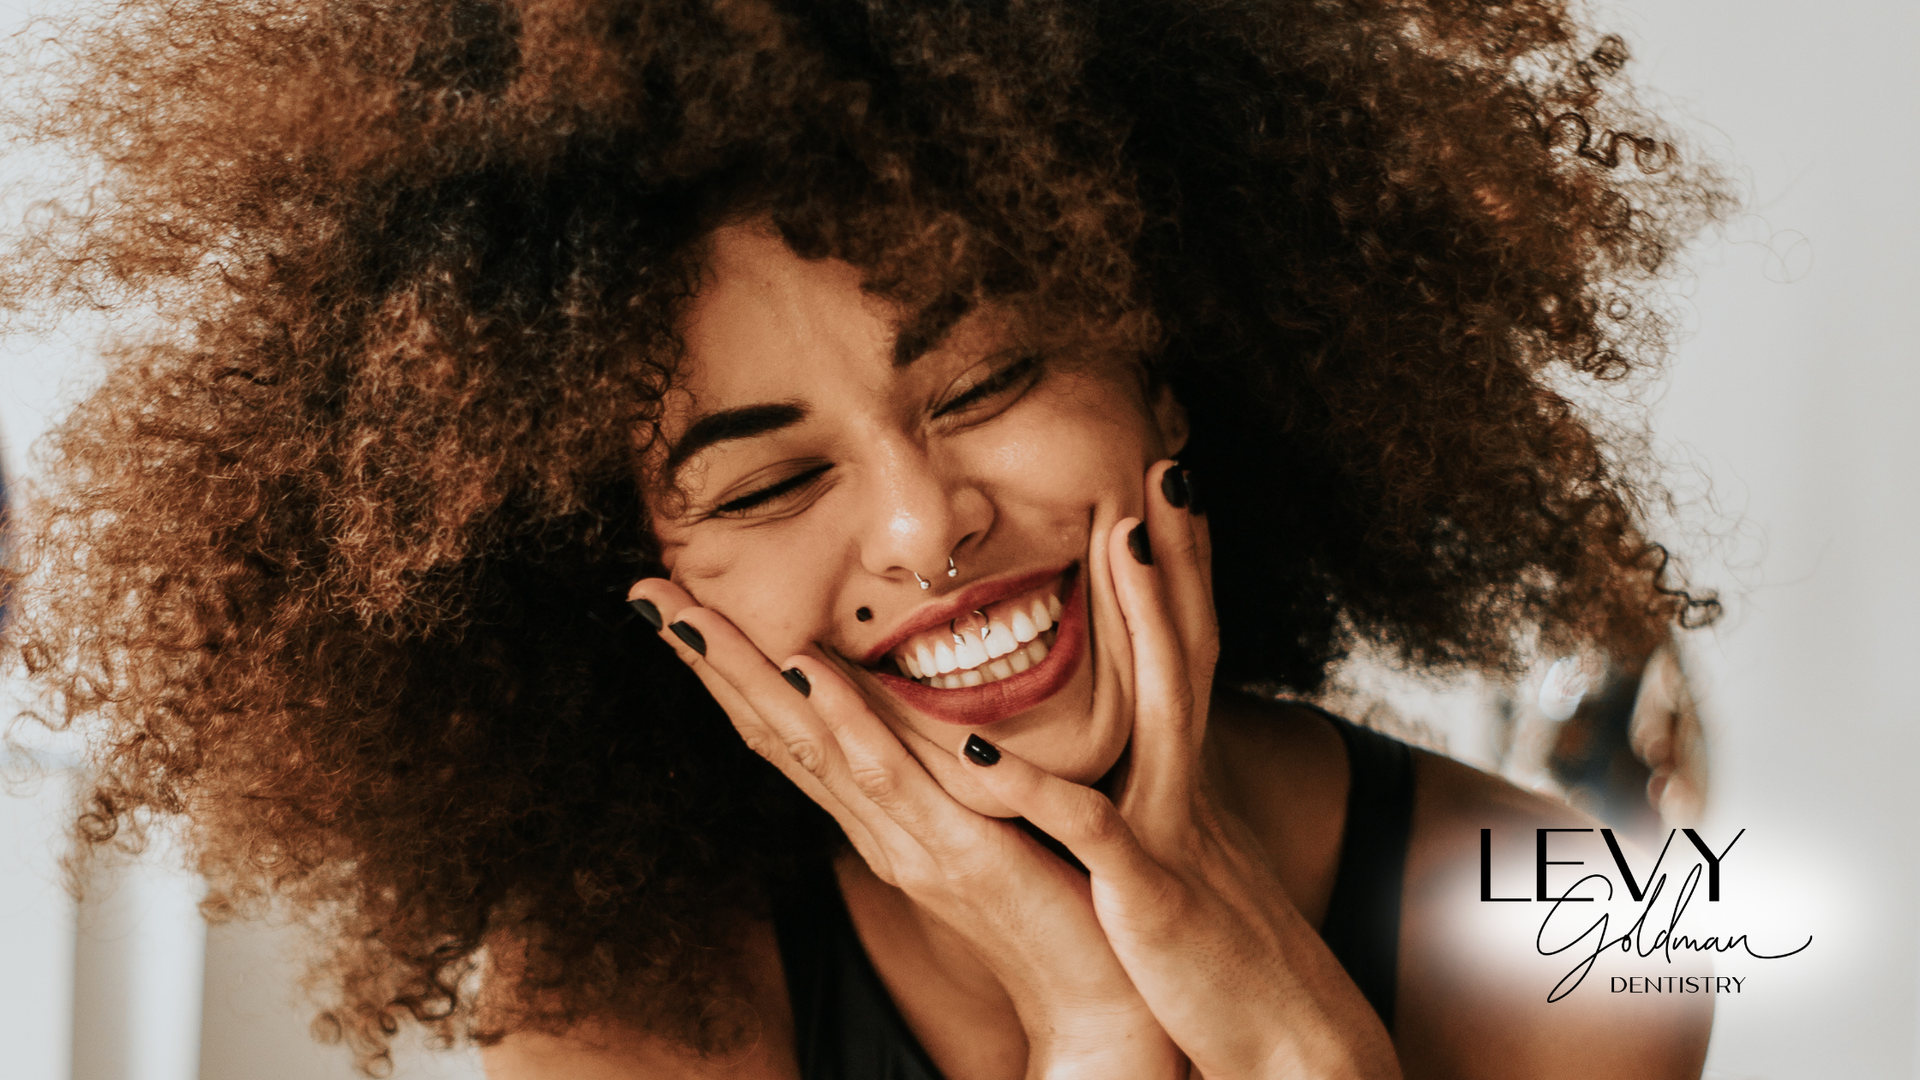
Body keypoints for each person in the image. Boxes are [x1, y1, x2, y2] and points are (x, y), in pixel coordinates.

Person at [3, 0, 1726, 1076]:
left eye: (989, 378)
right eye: (761, 487)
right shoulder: (632, 998)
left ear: (1168, 374)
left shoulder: (1591, 931)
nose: (925, 528)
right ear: (652, 595)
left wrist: (1283, 1029)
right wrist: (1098, 1020)